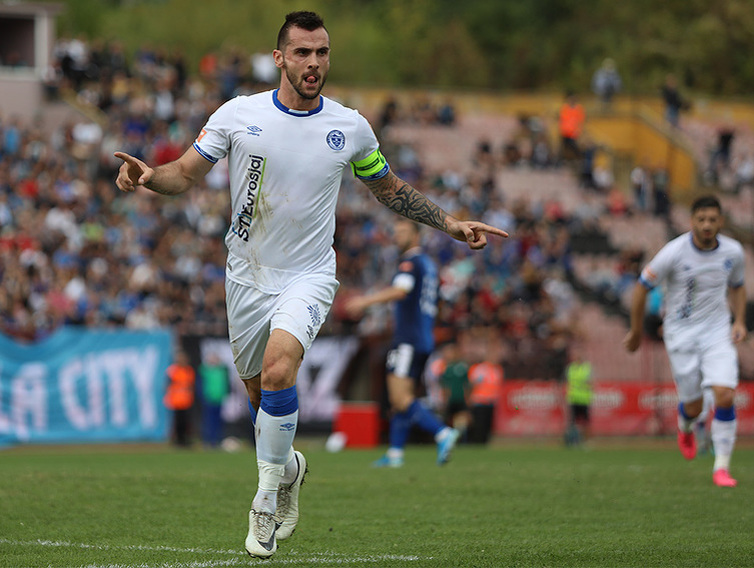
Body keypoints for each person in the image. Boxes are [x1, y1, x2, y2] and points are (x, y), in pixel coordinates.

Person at [114, 11, 508, 558]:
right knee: (260, 398)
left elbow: (390, 190)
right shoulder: (238, 114)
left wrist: (451, 224)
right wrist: (149, 177)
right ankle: (291, 468)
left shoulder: (350, 128)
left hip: (310, 274)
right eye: (302, 53)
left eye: (322, 52)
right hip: (245, 276)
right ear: (280, 58)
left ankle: (265, 498)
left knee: (280, 368)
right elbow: (184, 173)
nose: (314, 63)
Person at [624, 195, 747, 487]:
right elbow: (642, 287)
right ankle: (686, 426)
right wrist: (637, 331)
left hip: (718, 332)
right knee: (693, 406)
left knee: (725, 394)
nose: (707, 225)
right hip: (681, 334)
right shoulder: (673, 252)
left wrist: (739, 321)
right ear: (692, 221)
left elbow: (738, 287)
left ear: (721, 221)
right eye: (701, 219)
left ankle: (722, 468)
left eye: (712, 219)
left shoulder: (733, 252)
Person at [345, 219, 462, 468]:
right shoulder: (429, 265)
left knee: (399, 398)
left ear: (416, 235)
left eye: (403, 232)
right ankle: (395, 453)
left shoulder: (410, 262)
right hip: (423, 337)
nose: (397, 237)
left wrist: (363, 302)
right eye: (395, 232)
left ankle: (442, 432)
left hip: (408, 338)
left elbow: (400, 291)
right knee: (405, 396)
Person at [467, 335, 504, 445]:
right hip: (480, 401)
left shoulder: (498, 370)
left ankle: (484, 444)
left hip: (491, 401)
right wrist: (469, 398)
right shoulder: (480, 369)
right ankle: (476, 444)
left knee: (488, 426)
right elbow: (471, 384)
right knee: (479, 425)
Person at [163, 350, 196, 447]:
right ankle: (177, 440)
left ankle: (185, 439)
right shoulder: (173, 370)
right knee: (177, 422)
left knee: (186, 421)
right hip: (176, 400)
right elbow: (167, 384)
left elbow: (191, 385)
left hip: (186, 400)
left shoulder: (189, 370)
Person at [198, 352, 230, 448]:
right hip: (209, 399)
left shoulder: (222, 371)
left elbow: (226, 384)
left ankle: (217, 440)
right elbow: (200, 386)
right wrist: (203, 396)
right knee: (209, 421)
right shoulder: (205, 371)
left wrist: (226, 394)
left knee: (218, 421)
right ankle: (207, 440)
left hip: (219, 399)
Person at [564, 343, 593, 447]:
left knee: (585, 422)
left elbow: (590, 383)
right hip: (573, 398)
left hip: (584, 399)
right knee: (573, 422)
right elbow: (568, 382)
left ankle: (585, 441)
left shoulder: (587, 368)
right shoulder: (570, 368)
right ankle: (574, 441)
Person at [558, 91, 585, 162]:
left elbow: (580, 121)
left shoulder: (578, 109)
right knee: (563, 147)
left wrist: (578, 131)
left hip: (573, 132)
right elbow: (562, 119)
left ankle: (580, 159)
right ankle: (561, 161)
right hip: (565, 132)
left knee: (574, 147)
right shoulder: (565, 108)